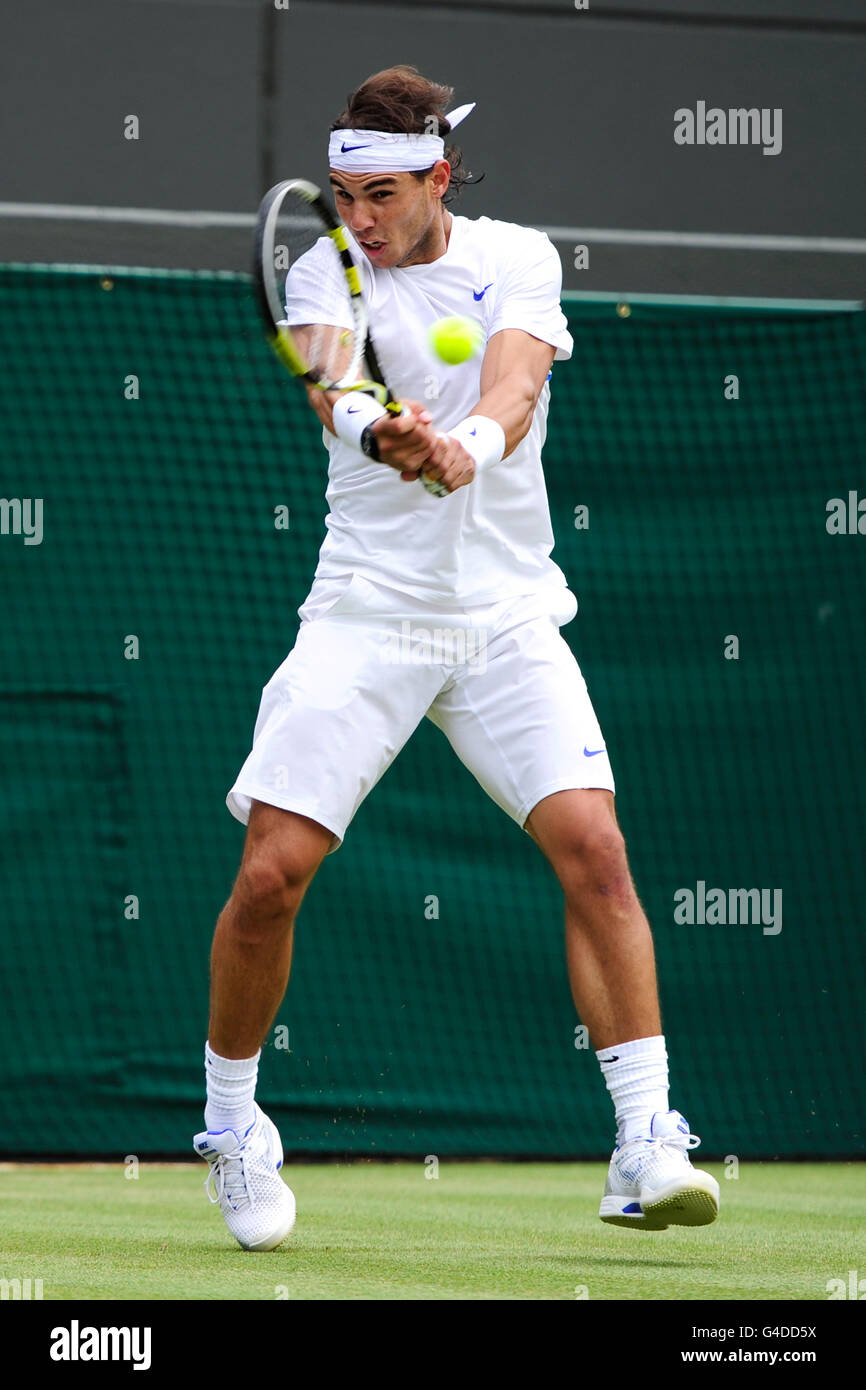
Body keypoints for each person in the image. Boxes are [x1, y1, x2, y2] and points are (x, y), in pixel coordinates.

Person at [193, 65, 719, 1250]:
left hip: (503, 616)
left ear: (436, 176)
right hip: (366, 611)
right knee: (271, 873)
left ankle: (645, 1139)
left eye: (378, 195)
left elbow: (517, 382)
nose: (356, 217)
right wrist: (377, 429)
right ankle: (231, 1123)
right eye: (340, 193)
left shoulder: (517, 256)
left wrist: (469, 443)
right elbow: (334, 375)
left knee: (595, 849)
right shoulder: (322, 264)